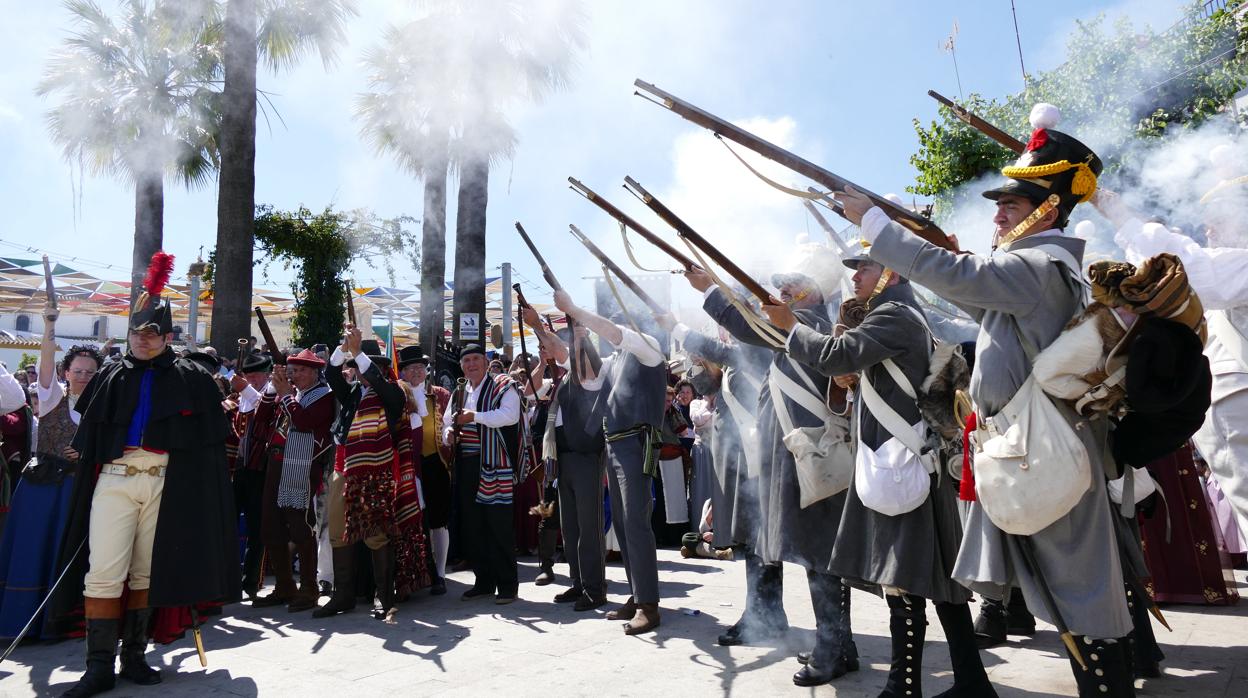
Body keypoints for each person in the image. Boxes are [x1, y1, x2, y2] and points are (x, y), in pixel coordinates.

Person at [850, 113, 1135, 695]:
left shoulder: (1035, 263)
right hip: (1027, 448)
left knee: (1080, 592)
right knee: (1067, 591)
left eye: (1013, 203)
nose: (999, 213)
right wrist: (936, 258)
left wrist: (876, 224)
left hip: (1043, 450)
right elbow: (976, 304)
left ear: (1047, 210)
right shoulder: (1039, 267)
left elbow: (958, 275)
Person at [763, 248, 995, 697]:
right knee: (942, 584)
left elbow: (835, 356)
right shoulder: (903, 313)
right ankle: (972, 681)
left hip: (900, 463)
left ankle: (902, 687)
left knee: (902, 583)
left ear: (890, 271)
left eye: (864, 267)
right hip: (905, 461)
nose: (855, 276)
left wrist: (790, 327)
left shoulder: (893, 315)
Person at [54, 252, 239, 697]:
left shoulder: (192, 377)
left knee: (144, 573)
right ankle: (98, 666)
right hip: (114, 481)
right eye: (136, 331)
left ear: (167, 335)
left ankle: (133, 655)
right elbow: (93, 439)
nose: (141, 339)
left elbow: (210, 445)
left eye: (151, 332)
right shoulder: (110, 374)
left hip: (165, 483)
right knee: (103, 571)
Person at [684, 263, 857, 685]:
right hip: (795, 451)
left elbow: (749, 335)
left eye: (793, 285)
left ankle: (833, 648)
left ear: (814, 291)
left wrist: (709, 289)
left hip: (812, 451)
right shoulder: (800, 326)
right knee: (815, 555)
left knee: (820, 557)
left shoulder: (810, 325)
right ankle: (838, 645)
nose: (783, 291)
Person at [658, 314, 778, 648]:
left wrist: (678, 329)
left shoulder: (754, 345)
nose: (724, 329)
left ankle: (763, 616)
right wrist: (702, 363)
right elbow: (708, 387)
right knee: (751, 540)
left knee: (758, 539)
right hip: (737, 456)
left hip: (754, 455)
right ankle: (766, 613)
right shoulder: (731, 355)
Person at [553, 290, 666, 635]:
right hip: (615, 446)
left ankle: (649, 604)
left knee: (635, 523)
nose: (615, 324)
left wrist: (575, 309)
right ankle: (636, 594)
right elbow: (582, 373)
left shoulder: (647, 346)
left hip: (636, 442)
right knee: (621, 520)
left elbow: (618, 335)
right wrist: (572, 336)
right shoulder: (616, 359)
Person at [0, 302, 101, 641]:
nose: (83, 377)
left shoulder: (101, 410)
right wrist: (49, 326)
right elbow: (45, 359)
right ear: (66, 371)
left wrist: (88, 453)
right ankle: (18, 624)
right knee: (32, 553)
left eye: (90, 372)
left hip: (76, 491)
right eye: (78, 370)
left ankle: (59, 624)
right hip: (41, 489)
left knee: (64, 557)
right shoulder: (51, 395)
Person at [316, 329, 409, 621]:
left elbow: (382, 384)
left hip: (375, 471)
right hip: (344, 466)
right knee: (337, 530)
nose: (362, 374)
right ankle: (343, 594)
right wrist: (343, 349)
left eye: (369, 368)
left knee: (376, 533)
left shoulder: (392, 394)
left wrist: (358, 353)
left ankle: (384, 595)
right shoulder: (352, 393)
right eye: (358, 368)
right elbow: (331, 374)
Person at [526, 314, 609, 611]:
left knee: (589, 528)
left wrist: (537, 325)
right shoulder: (562, 379)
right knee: (571, 528)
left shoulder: (588, 372)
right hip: (564, 458)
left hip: (586, 457)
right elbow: (528, 391)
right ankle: (578, 583)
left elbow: (561, 352)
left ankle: (595, 588)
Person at [252, 350, 335, 613]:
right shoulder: (288, 394)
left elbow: (303, 422)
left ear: (314, 373)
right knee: (270, 527)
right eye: (292, 370)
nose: (294, 375)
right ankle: (285, 586)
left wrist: (286, 394)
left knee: (301, 526)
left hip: (302, 466)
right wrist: (271, 389)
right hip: (275, 463)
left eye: (300, 371)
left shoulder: (325, 396)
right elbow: (259, 422)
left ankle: (309, 589)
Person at [443, 344, 525, 604]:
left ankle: (508, 585)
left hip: (495, 464)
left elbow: (510, 416)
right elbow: (447, 423)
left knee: (498, 524)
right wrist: (449, 434)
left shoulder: (503, 384)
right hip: (467, 464)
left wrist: (474, 417)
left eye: (476, 358)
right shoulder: (459, 391)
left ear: (486, 362)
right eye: (466, 360)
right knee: (473, 525)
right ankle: (484, 581)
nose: (471, 364)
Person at [398, 346, 452, 596]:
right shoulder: (398, 394)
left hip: (434, 463)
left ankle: (439, 574)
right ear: (404, 372)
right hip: (406, 465)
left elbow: (450, 424)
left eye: (420, 367)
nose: (416, 372)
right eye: (411, 368)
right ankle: (414, 572)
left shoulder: (440, 395)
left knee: (438, 521)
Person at [227, 350, 276, 600]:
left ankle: (252, 581)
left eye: (257, 375)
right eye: (249, 375)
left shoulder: (271, 391)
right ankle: (227, 578)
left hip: (261, 470)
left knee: (258, 527)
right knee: (229, 522)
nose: (253, 380)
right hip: (240, 469)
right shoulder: (239, 397)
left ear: (267, 375)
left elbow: (266, 409)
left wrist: (245, 389)